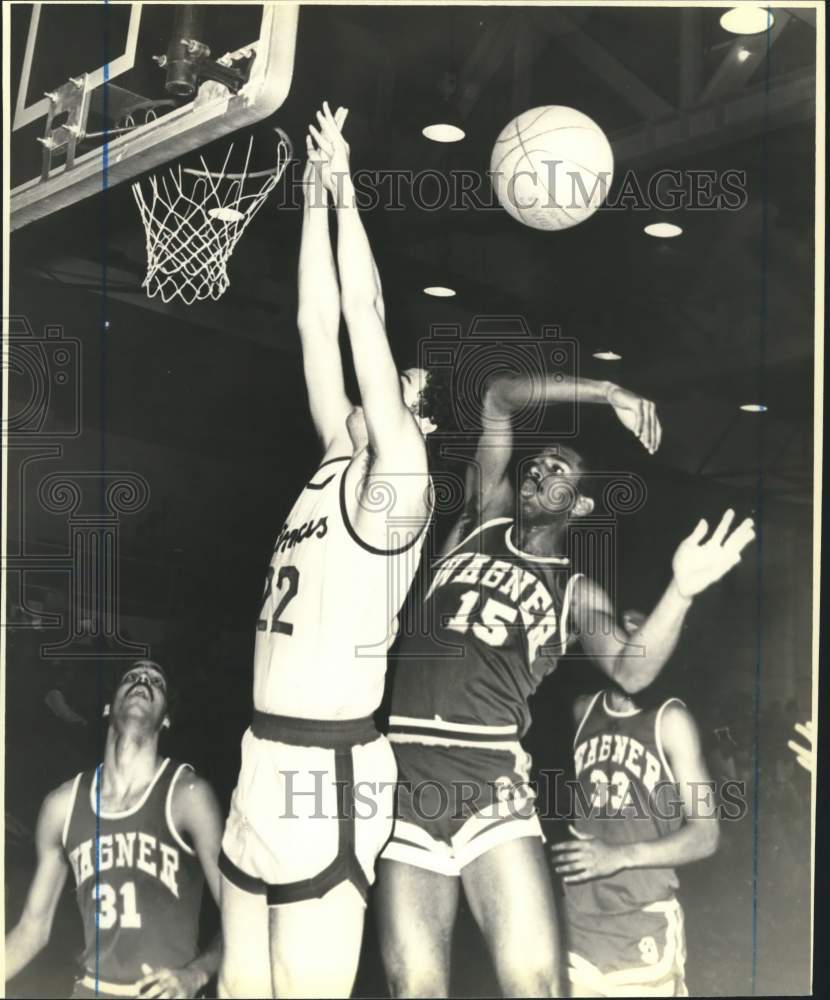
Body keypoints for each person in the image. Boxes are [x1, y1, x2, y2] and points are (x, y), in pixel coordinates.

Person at [377, 369, 755, 998]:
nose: (538, 472)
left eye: (558, 472)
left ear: (579, 505)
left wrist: (680, 592)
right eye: (536, 464)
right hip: (405, 777)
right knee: (414, 987)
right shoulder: (476, 522)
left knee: (536, 985)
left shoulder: (575, 591)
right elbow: (499, 395)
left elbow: (634, 667)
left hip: (489, 778)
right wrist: (609, 394)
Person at [217, 103, 436, 999]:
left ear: (410, 426)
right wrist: (311, 195)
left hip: (328, 772)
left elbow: (362, 317)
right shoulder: (333, 460)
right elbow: (316, 325)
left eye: (410, 394)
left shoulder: (397, 486)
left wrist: (347, 188)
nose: (393, 385)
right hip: (260, 756)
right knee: (238, 991)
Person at [5, 659, 223, 999]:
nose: (143, 682)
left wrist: (196, 974)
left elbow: (242, 917)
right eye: (132, 677)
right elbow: (32, 929)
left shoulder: (189, 797)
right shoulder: (61, 806)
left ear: (166, 718)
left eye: (156, 682)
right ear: (108, 706)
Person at [550, 609, 719, 998]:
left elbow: (707, 834)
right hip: (577, 920)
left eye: (643, 633)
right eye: (620, 633)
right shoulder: (580, 711)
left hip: (642, 918)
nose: (632, 643)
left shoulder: (671, 721)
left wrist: (619, 855)